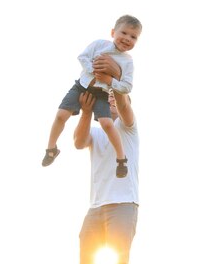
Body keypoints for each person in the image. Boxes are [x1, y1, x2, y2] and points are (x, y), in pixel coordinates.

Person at [68, 54, 139, 264]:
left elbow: (122, 103)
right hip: (95, 209)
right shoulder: (99, 133)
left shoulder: (129, 129)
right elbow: (78, 142)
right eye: (106, 100)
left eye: (115, 101)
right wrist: (86, 112)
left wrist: (114, 85)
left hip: (123, 206)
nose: (111, 103)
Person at [42, 15, 142, 178]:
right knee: (61, 115)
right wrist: (93, 71)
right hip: (81, 86)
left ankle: (121, 159)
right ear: (113, 32)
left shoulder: (127, 62)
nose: (127, 39)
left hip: (101, 93)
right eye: (123, 33)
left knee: (107, 124)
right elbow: (82, 57)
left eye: (133, 37)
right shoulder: (99, 45)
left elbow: (127, 87)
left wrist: (110, 80)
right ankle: (51, 148)